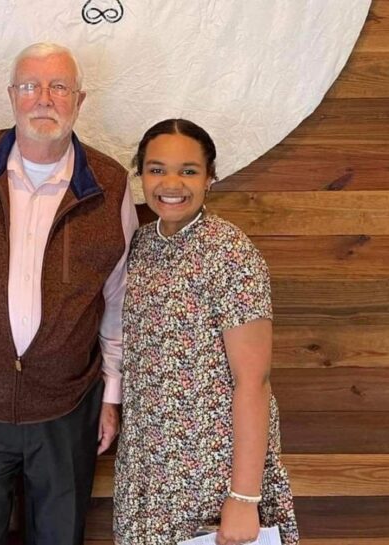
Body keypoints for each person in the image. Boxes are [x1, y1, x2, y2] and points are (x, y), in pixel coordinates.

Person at [0, 42, 138, 545]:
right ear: (11, 96)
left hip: (67, 408)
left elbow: (117, 303)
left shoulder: (110, 185)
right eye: (30, 86)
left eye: (59, 87)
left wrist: (111, 397)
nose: (44, 98)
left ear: (79, 100)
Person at [113, 119, 299, 545]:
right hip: (147, 476)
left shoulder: (230, 254)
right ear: (140, 175)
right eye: (156, 169)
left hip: (213, 480)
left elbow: (254, 382)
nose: (171, 183)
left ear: (210, 177)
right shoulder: (140, 247)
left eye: (188, 171)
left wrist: (244, 497)